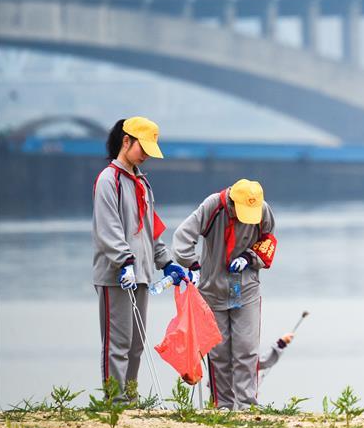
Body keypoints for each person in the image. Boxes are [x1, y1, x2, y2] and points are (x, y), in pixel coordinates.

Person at [92, 117, 186, 401]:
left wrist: (166, 261)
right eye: (141, 147)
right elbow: (108, 229)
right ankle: (115, 401)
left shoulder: (141, 182)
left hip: (142, 275)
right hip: (117, 274)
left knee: (135, 345)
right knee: (117, 343)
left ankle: (130, 398)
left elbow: (150, 230)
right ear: (126, 141)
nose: (145, 155)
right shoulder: (109, 180)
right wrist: (125, 262)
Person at [172, 179, 277, 410]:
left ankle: (247, 403)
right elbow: (182, 236)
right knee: (219, 351)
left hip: (246, 287)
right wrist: (193, 265)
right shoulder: (213, 206)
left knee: (246, 348)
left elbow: (268, 239)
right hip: (213, 289)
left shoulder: (262, 209)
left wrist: (250, 257)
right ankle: (223, 404)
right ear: (232, 202)